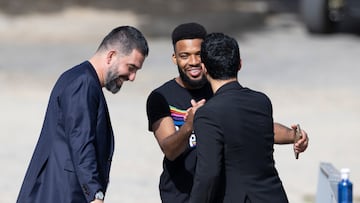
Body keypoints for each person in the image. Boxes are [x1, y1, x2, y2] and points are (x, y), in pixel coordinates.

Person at [146, 22, 308, 203]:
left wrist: (294, 135)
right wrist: (189, 125)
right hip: (181, 195)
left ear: (207, 59)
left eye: (198, 55)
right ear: (175, 58)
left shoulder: (220, 86)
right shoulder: (161, 97)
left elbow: (256, 126)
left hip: (222, 194)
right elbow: (169, 150)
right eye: (185, 56)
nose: (193, 62)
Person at [17, 26, 149, 203]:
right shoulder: (83, 83)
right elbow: (81, 141)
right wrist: (95, 194)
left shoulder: (81, 78)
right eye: (131, 67)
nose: (132, 77)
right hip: (61, 193)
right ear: (111, 56)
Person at [190, 32, 288, 203]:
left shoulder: (207, 114)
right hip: (274, 196)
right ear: (240, 64)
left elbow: (208, 174)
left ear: (204, 68)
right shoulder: (261, 101)